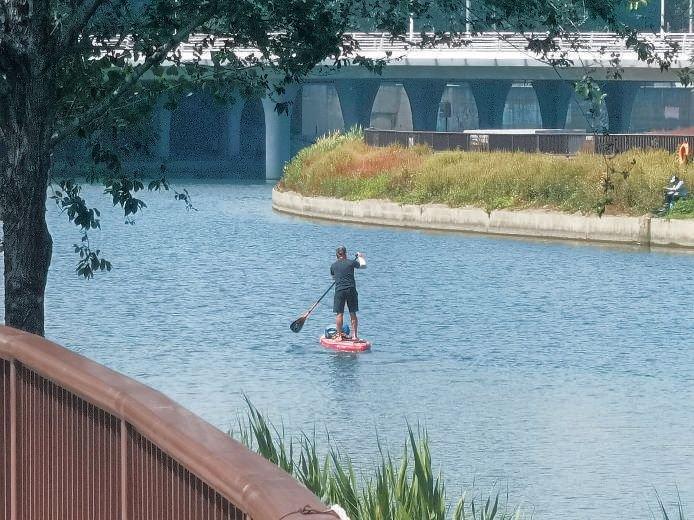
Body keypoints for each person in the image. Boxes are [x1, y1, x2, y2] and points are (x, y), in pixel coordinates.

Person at [330, 246, 366, 341]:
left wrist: (339, 276)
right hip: (351, 290)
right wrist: (360, 257)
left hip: (339, 290)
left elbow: (333, 278)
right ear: (345, 254)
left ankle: (339, 336)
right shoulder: (351, 262)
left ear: (337, 255)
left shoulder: (333, 266)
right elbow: (363, 266)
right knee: (352, 313)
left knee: (339, 313)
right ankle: (354, 336)